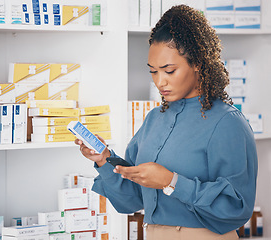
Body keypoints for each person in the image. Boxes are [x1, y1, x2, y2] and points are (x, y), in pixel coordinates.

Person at [75, 4, 258, 240]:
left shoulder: (227, 122)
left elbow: (236, 208)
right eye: (153, 71)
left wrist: (171, 182)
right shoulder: (154, 119)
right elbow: (132, 200)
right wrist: (103, 160)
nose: (160, 82)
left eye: (169, 71)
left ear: (198, 65)